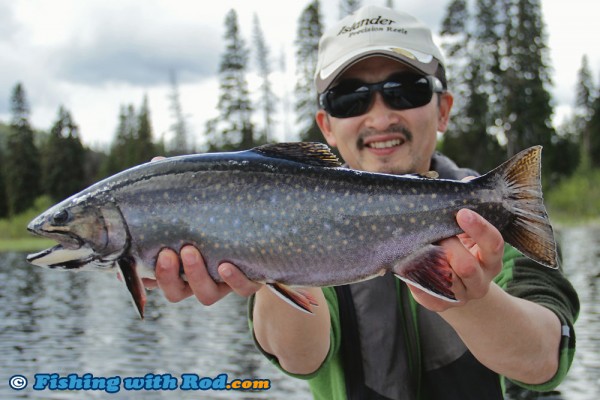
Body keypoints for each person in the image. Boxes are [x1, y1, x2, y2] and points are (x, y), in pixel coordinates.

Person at [146, 6, 579, 400]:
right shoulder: (290, 217)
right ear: (327, 127)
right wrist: (265, 246)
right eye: (350, 98)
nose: (379, 116)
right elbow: (299, 357)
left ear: (443, 109)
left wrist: (469, 299)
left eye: (405, 90)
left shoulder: (494, 210)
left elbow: (545, 361)